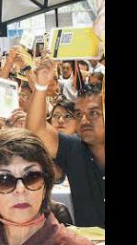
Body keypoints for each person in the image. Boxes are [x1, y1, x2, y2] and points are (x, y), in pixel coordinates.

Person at [27, 60, 104, 228]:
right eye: (78, 114)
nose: (84, 120)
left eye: (94, 113)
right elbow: (36, 131)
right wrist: (40, 87)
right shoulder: (74, 149)